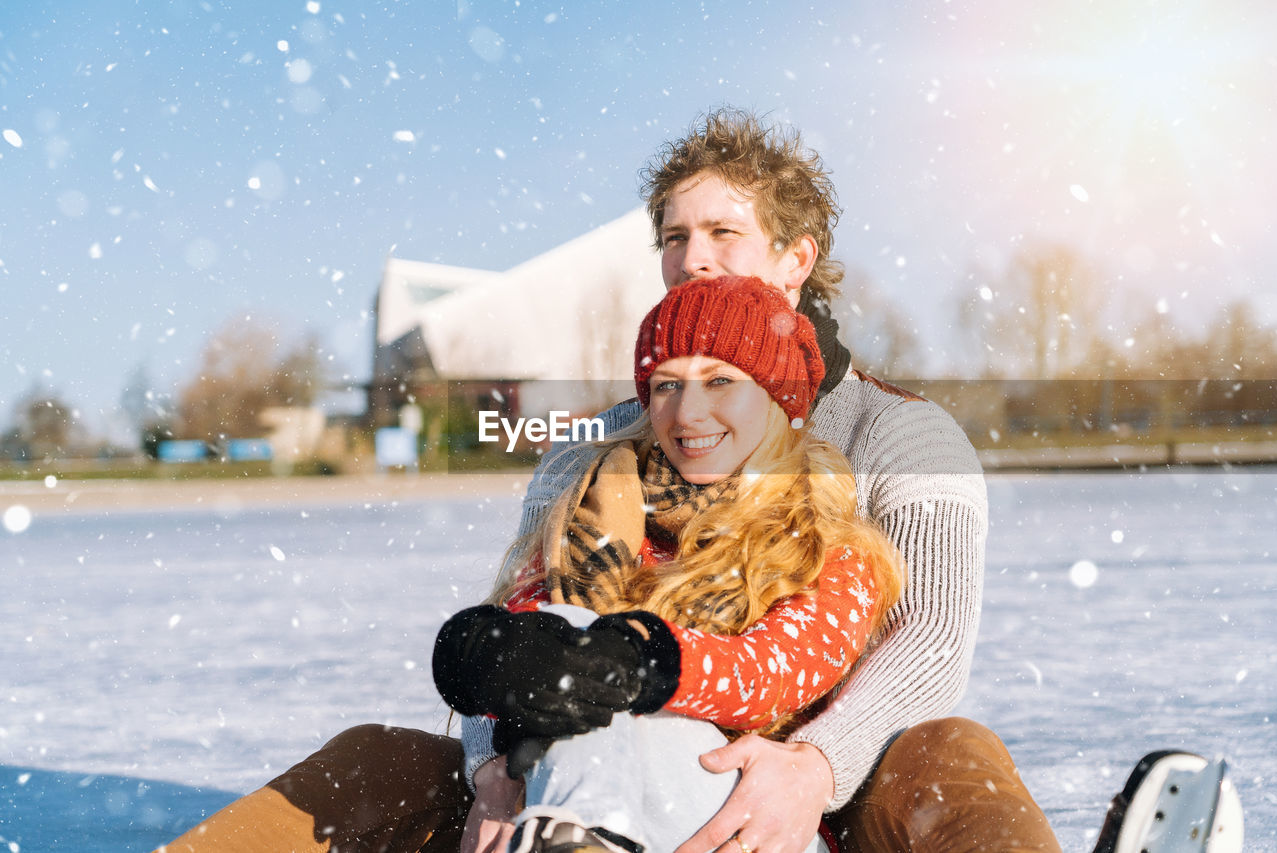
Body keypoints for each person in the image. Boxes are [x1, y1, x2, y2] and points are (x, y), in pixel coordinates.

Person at [158, 108, 1063, 853]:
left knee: (951, 756)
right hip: (585, 756)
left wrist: (813, 767)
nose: (694, 256)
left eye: (723, 231)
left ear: (796, 257)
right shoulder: (593, 450)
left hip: (813, 775)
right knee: (378, 760)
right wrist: (499, 757)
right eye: (675, 236)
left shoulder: (898, 432)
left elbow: (929, 640)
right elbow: (525, 620)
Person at [431, 274, 903, 853]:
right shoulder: (593, 513)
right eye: (666, 386)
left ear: (779, 398)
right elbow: (541, 629)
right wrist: (492, 654)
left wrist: (639, 662)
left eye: (721, 381)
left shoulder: (828, 544)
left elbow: (772, 673)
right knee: (567, 670)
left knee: (619, 705)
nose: (687, 412)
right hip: (574, 801)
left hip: (741, 824)